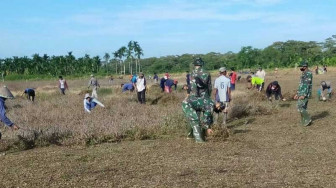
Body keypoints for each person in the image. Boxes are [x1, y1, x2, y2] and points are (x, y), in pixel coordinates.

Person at [182, 58, 214, 143]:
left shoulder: (191, 73)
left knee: (193, 116)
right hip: (204, 97)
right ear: (202, 64)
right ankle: (204, 133)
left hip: (193, 98)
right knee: (206, 115)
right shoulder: (207, 73)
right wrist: (207, 97)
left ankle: (190, 135)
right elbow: (209, 87)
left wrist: (189, 95)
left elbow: (190, 86)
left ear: (194, 64)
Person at [293, 61, 313, 126]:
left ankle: (308, 119)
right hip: (301, 92)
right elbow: (301, 84)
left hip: (305, 93)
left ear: (305, 67)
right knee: (303, 107)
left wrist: (304, 94)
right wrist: (297, 94)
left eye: (302, 66)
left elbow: (307, 84)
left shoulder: (308, 73)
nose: (301, 68)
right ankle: (303, 121)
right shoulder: (303, 73)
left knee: (299, 106)